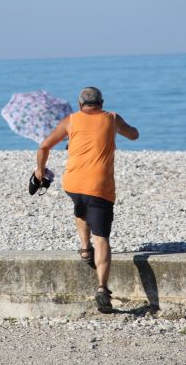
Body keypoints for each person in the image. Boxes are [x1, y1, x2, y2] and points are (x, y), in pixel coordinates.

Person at [35, 87, 139, 312]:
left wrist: (39, 171)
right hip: (99, 186)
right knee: (102, 238)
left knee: (80, 208)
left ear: (80, 104)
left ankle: (84, 249)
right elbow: (134, 134)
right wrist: (124, 130)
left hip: (72, 183)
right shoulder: (111, 118)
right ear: (101, 102)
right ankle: (102, 287)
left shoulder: (70, 121)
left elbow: (44, 146)